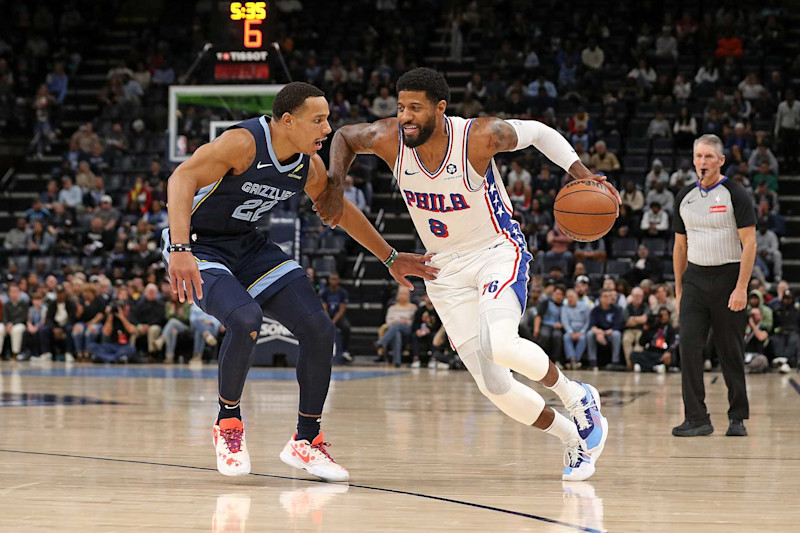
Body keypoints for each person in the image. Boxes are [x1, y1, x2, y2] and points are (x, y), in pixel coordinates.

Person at [329, 68, 617, 481]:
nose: (405, 116)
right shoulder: (389, 138)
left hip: (495, 252)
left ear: (440, 109)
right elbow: (342, 137)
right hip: (442, 268)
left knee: (499, 343)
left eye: (415, 108)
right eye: (400, 107)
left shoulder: (478, 137)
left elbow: (538, 132)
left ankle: (577, 396)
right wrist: (336, 182)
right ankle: (571, 439)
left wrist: (580, 174)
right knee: (495, 387)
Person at [164, 82, 434, 480]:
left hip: (248, 246)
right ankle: (228, 424)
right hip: (199, 246)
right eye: (319, 120)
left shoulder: (307, 165)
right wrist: (180, 248)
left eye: (328, 120)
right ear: (287, 121)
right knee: (245, 320)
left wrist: (390, 257)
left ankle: (306, 440)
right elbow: (181, 179)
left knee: (320, 330)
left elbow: (337, 211)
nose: (327, 129)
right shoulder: (242, 143)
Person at [673, 134, 756, 438]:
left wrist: (742, 287)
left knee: (730, 351)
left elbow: (750, 244)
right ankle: (697, 418)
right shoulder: (684, 196)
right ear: (693, 160)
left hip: (728, 279)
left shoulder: (736, 194)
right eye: (698, 156)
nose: (703, 162)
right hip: (694, 280)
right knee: (689, 349)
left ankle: (737, 417)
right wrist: (679, 290)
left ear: (721, 161)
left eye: (709, 157)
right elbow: (679, 247)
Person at [375, 285, 417, 366]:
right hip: (394, 328)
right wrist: (396, 321)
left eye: (405, 293)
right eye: (401, 293)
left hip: (408, 328)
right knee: (396, 333)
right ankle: (397, 361)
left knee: (398, 326)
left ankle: (382, 342)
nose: (402, 295)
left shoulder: (413, 307)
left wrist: (404, 321)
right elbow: (388, 321)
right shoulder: (392, 308)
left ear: (408, 295)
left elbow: (415, 322)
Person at [587, 288, 625, 370]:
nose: (608, 298)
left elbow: (617, 326)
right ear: (600, 298)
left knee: (616, 334)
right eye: (605, 296)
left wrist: (603, 333)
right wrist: (598, 333)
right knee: (590, 334)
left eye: (609, 296)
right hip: (598, 333)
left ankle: (615, 362)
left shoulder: (617, 309)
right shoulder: (595, 310)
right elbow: (592, 325)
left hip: (610, 333)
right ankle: (592, 361)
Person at [631, 307, 677, 373]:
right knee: (633, 355)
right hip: (651, 351)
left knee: (667, 359)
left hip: (662, 353)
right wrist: (645, 330)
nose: (663, 317)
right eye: (661, 315)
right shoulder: (653, 327)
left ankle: (644, 367)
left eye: (665, 315)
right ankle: (654, 367)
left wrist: (668, 352)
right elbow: (641, 343)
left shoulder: (671, 329)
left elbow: (674, 343)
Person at [319, 273, 352, 362]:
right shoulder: (324, 292)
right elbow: (324, 307)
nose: (333, 281)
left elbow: (342, 310)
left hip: (338, 316)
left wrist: (333, 322)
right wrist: (328, 320)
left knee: (346, 327)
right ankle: (319, 350)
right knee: (318, 327)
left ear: (338, 280)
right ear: (329, 281)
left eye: (335, 279)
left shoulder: (343, 292)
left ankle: (345, 351)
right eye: (332, 279)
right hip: (327, 315)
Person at [561, 289, 590, 370]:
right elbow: (565, 321)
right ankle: (572, 360)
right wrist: (570, 332)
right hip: (571, 331)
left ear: (577, 297)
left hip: (582, 330)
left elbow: (588, 321)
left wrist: (582, 331)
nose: (570, 299)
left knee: (583, 338)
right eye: (568, 297)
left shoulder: (585, 306)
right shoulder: (564, 308)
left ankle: (576, 360)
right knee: (566, 337)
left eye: (572, 296)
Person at [622, 287, 651, 369]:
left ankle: (636, 363)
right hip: (629, 330)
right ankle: (629, 364)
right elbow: (627, 322)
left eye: (639, 296)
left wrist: (633, 318)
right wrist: (639, 319)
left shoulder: (645, 306)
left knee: (640, 342)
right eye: (636, 296)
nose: (638, 298)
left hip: (641, 330)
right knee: (626, 340)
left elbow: (645, 319)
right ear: (632, 296)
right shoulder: (628, 307)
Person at [0, 284, 29, 360]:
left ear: (19, 292)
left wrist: (12, 323)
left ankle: (15, 354)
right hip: (7, 324)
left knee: (16, 330)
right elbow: (4, 317)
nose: (13, 293)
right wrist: (7, 324)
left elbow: (24, 317)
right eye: (12, 292)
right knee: (0, 328)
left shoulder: (24, 304)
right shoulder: (6, 304)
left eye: (15, 291)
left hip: (19, 324)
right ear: (9, 293)